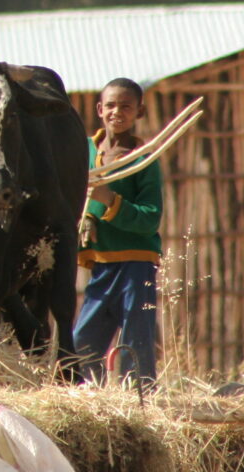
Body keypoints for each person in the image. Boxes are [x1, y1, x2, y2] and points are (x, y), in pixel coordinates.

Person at [74, 77, 162, 392]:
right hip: (101, 262)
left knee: (136, 341)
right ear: (99, 109)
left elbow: (150, 219)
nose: (117, 112)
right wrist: (85, 216)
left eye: (126, 106)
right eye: (110, 105)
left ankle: (139, 405)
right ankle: (94, 399)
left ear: (139, 111)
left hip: (137, 263)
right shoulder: (84, 150)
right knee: (83, 340)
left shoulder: (145, 158)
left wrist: (109, 201)